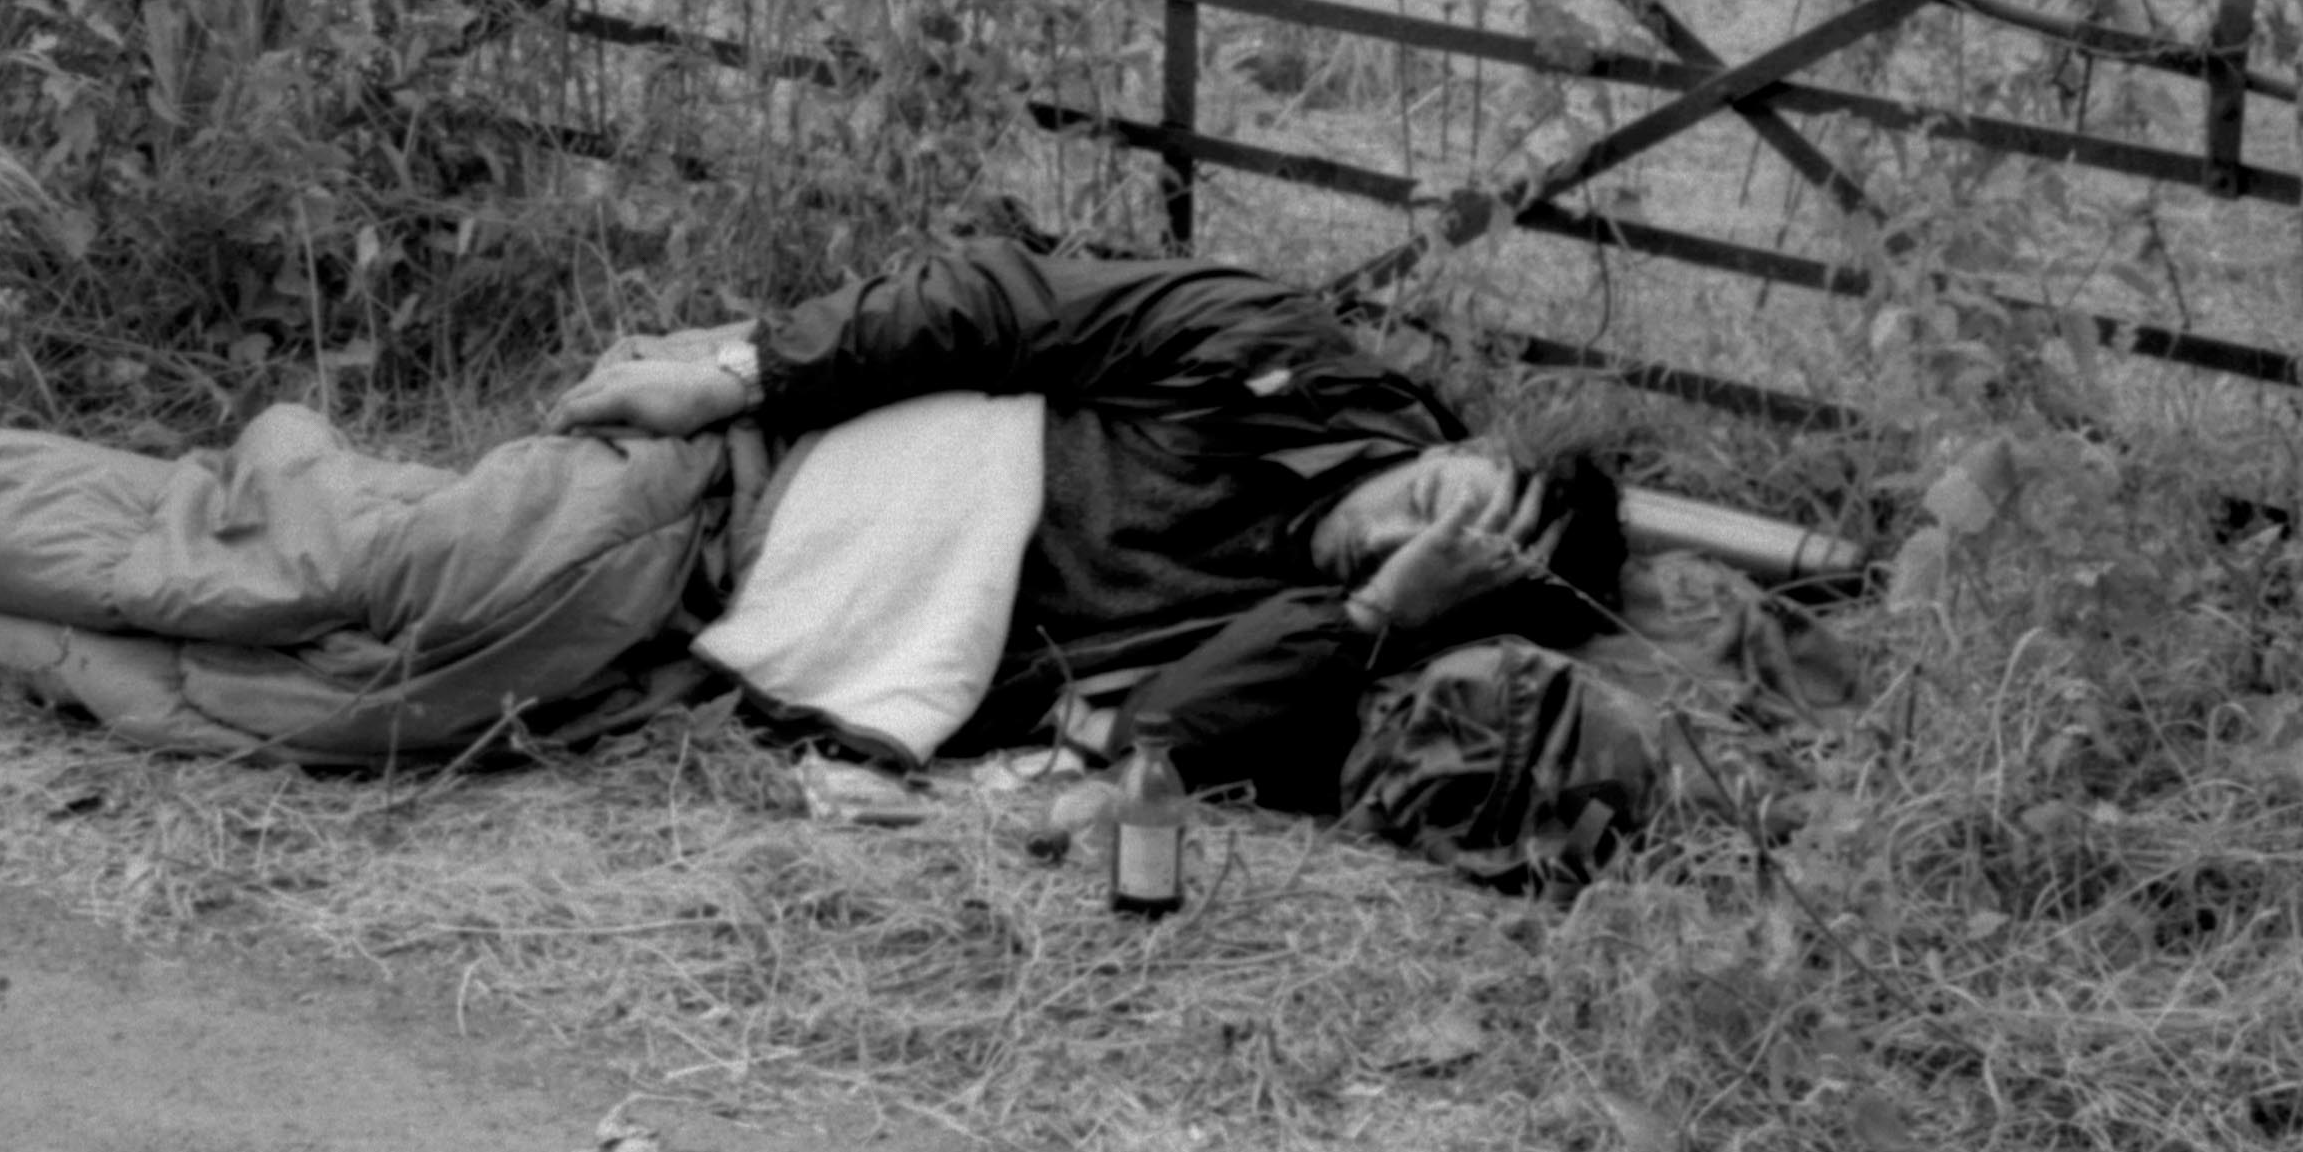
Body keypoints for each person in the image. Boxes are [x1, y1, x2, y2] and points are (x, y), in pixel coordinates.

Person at [547, 235, 1626, 807]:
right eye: (1427, 504)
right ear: (1452, 446)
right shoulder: (1269, 349)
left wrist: (1375, 614)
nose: (1389, 534)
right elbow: (991, 294)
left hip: (767, 625)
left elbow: (1155, 738)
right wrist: (738, 379)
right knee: (446, 576)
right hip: (770, 461)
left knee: (444, 677)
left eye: (1432, 560)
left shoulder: (1328, 643)